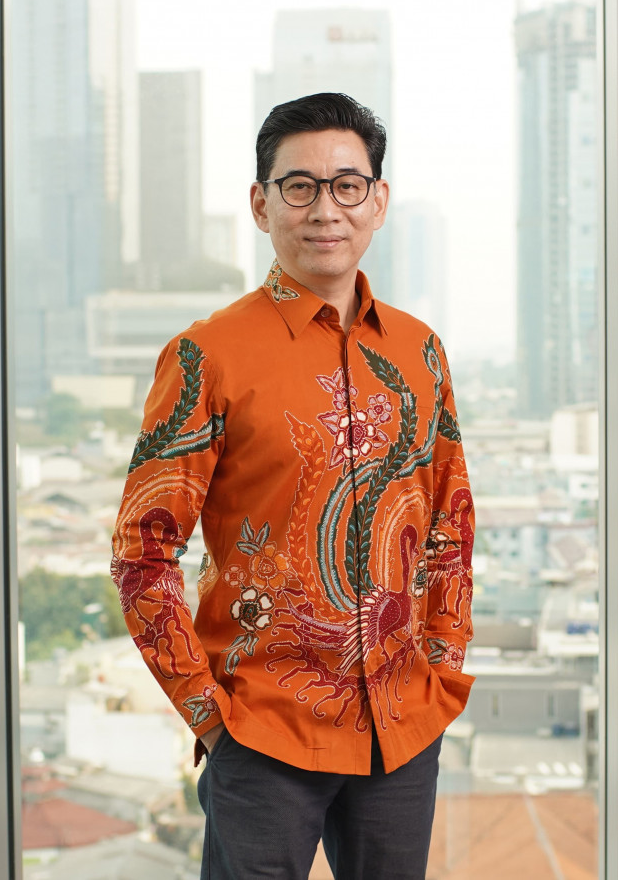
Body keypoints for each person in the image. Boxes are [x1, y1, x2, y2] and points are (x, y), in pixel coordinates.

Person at [110, 92, 475, 879]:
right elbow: (143, 549)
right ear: (261, 203)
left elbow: (452, 521)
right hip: (262, 734)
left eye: (347, 185)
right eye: (300, 186)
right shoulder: (207, 355)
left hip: (402, 729)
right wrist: (209, 716)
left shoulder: (420, 351)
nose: (325, 209)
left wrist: (441, 665)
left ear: (378, 201)